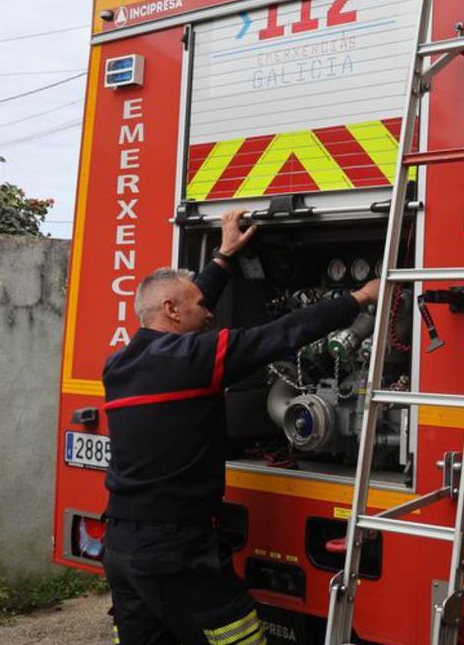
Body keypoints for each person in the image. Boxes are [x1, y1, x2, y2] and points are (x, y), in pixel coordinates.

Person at [100, 210, 380, 645]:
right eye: (199, 307)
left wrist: (224, 257)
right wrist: (359, 298)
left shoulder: (119, 364)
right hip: (176, 552)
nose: (209, 315)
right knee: (239, 635)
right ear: (172, 311)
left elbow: (187, 308)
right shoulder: (194, 360)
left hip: (121, 546)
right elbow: (285, 332)